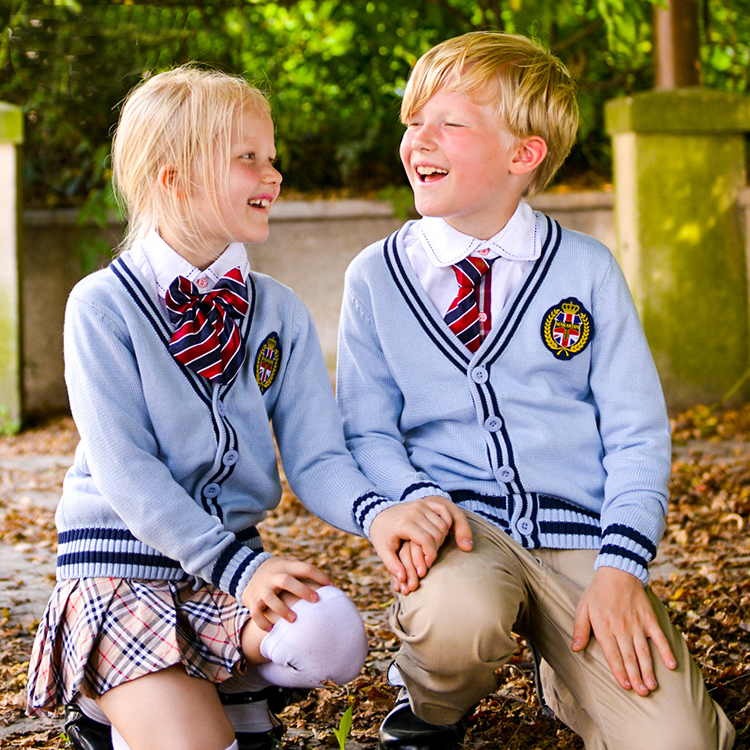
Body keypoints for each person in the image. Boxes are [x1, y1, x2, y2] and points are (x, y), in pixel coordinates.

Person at [336, 31, 735, 750]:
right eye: (413, 122)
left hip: (582, 543)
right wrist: (414, 501)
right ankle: (427, 709)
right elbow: (368, 431)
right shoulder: (374, 277)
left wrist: (621, 566)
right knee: (461, 616)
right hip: (461, 531)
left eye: (448, 123)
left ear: (523, 156)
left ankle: (567, 678)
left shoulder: (586, 271)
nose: (418, 139)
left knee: (682, 742)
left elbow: (637, 434)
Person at [25, 65, 380, 750]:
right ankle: (111, 711)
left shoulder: (278, 310)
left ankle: (188, 682)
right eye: (248, 158)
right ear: (174, 179)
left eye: (271, 157)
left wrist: (381, 516)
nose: (272, 174)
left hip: (224, 573)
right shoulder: (102, 306)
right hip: (122, 568)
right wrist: (244, 571)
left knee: (334, 638)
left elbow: (318, 456)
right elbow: (126, 472)